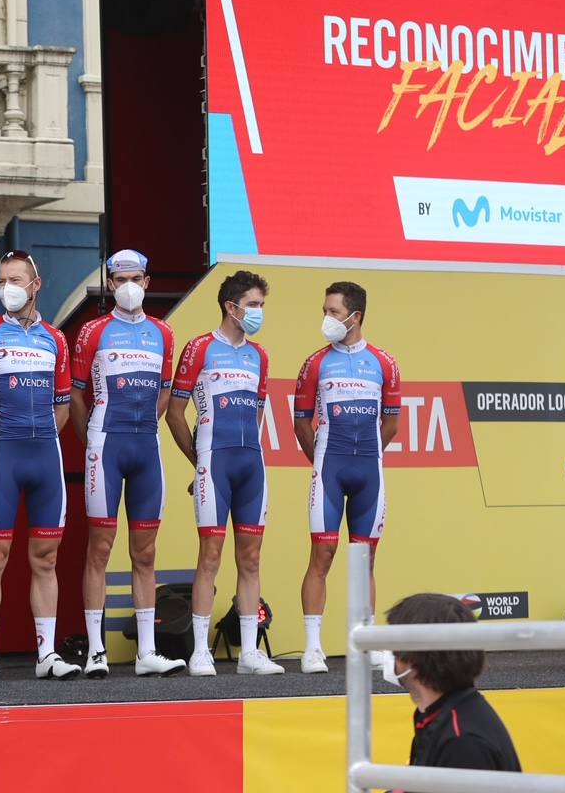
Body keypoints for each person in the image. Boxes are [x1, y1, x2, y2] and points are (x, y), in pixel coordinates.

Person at [0, 249, 80, 682]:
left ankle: (47, 653)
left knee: (45, 558)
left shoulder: (56, 339)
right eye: (2, 281)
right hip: (2, 454)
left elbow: (63, 406)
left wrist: (43, 437)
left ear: (35, 284)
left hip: (45, 456)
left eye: (16, 280)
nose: (8, 288)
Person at [70, 249, 184, 678]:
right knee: (99, 549)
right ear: (111, 284)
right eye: (121, 280)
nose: (130, 286)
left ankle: (147, 652)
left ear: (147, 281)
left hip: (146, 449)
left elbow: (165, 392)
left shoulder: (164, 334)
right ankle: (96, 650)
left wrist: (143, 426)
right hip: (106, 445)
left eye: (136, 278)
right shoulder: (92, 332)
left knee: (146, 552)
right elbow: (77, 395)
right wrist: (92, 441)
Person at [166, 269, 283, 677]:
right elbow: (175, 413)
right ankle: (201, 651)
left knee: (250, 559)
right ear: (232, 307)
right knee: (210, 557)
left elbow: (258, 415)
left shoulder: (260, 356)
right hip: (214, 464)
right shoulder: (200, 348)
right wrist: (195, 459)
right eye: (253, 305)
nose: (259, 312)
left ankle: (250, 652)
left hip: (252, 467)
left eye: (261, 305)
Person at [294, 281, 401, 674]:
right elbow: (301, 423)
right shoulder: (315, 363)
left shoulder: (384, 362)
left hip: (368, 470)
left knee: (365, 560)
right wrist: (322, 459)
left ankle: (367, 644)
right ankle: (312, 647)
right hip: (330, 469)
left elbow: (391, 423)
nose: (326, 318)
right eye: (325, 310)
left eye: (334, 312)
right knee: (322, 555)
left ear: (355, 317)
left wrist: (367, 455)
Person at [383, 593, 522, 775]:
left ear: (413, 660)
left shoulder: (462, 741)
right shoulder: (440, 714)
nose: (389, 654)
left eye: (394, 646)